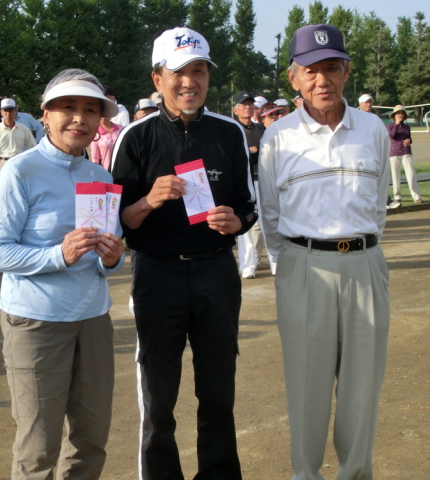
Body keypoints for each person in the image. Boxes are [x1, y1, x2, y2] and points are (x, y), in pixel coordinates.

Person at [112, 26, 257, 480]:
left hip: (217, 274)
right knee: (158, 398)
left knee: (218, 392)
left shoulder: (229, 132)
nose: (189, 82)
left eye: (199, 71)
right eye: (178, 72)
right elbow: (119, 222)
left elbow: (248, 205)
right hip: (157, 277)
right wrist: (148, 201)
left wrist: (236, 222)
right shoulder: (134, 137)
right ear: (158, 79)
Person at [258, 24, 391, 480]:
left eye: (331, 68)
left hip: (365, 264)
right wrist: (291, 267)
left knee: (362, 388)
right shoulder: (277, 137)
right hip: (302, 267)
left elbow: (378, 206)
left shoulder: (372, 128)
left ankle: (355, 474)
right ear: (293, 77)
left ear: (346, 71)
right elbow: (270, 214)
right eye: (311, 70)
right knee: (306, 387)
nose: (322, 80)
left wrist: (361, 250)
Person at [0, 68, 125, 480]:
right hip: (36, 324)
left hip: (93, 321)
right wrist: (57, 255)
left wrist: (112, 257)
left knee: (91, 440)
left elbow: (105, 256)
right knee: (38, 448)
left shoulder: (100, 176)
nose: (79, 118)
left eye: (90, 110)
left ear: (100, 120)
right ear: (45, 115)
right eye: (68, 107)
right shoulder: (20, 171)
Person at [233, 91, 266, 279]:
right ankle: (247, 266)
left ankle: (271, 261)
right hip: (244, 181)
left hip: (263, 178)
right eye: (244, 105)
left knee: (265, 223)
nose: (248, 107)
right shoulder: (233, 129)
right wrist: (251, 150)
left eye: (250, 104)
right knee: (245, 224)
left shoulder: (260, 128)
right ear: (235, 109)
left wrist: (255, 150)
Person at [0, 98, 37, 188]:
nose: (8, 114)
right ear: (1, 112)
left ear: (15, 111)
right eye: (5, 111)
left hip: (18, 163)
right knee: (2, 190)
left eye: (11, 111)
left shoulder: (22, 128)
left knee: (18, 189)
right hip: (1, 163)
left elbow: (33, 147)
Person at [386, 105, 423, 205]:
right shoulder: (390, 126)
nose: (400, 115)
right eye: (398, 113)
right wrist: (397, 124)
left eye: (402, 113)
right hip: (394, 152)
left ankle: (416, 196)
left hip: (406, 151)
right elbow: (391, 136)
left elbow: (409, 137)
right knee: (395, 176)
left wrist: (409, 140)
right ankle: (397, 196)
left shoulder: (407, 127)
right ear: (394, 115)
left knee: (411, 174)